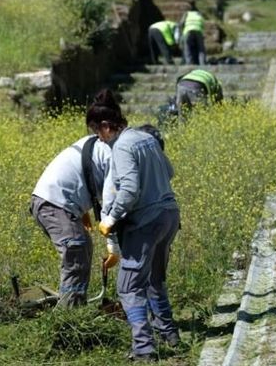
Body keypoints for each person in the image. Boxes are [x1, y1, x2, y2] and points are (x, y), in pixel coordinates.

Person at [88, 89, 181, 362]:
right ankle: (169, 334)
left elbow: (128, 189)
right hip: (169, 215)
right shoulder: (145, 137)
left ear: (106, 127)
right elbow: (170, 171)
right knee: (155, 279)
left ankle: (144, 348)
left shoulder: (123, 146)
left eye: (97, 132)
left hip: (146, 222)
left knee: (128, 288)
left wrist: (111, 218)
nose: (97, 138)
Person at [30, 135, 118, 307]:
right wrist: (114, 247)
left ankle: (75, 307)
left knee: (83, 247)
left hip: (55, 200)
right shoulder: (114, 153)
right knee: (76, 252)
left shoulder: (103, 142)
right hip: (54, 202)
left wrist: (82, 209)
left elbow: (82, 170)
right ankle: (69, 319)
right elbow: (111, 203)